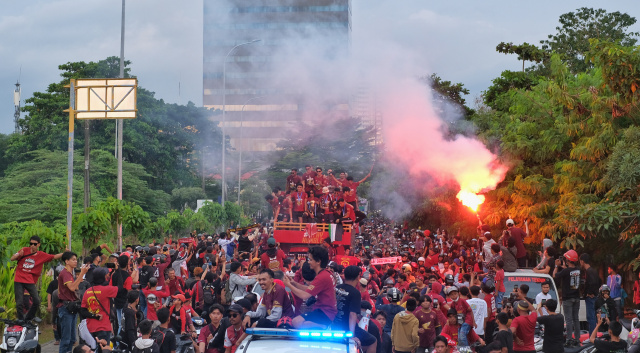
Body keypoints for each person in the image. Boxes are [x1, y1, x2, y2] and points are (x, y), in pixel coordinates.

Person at [283, 246, 337, 329]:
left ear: (318, 261)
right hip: (325, 311)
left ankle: (324, 327)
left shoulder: (322, 277)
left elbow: (305, 295)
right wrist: (293, 283)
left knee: (296, 322)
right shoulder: (326, 273)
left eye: (310, 260)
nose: (308, 262)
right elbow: (309, 290)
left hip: (325, 313)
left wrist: (289, 285)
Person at [11, 235, 63, 321]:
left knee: (36, 301)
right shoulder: (24, 250)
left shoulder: (41, 255)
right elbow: (12, 258)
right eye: (31, 243)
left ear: (39, 244)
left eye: (34, 244)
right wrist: (18, 255)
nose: (32, 246)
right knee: (19, 302)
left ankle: (29, 317)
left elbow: (53, 256)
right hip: (19, 279)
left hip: (29, 280)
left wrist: (64, 253)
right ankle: (20, 319)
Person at [58, 251, 90, 353]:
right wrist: (82, 274)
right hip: (66, 307)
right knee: (66, 339)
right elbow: (72, 288)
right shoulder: (65, 273)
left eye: (76, 259)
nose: (75, 261)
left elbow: (75, 287)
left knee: (72, 339)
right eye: (73, 259)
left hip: (71, 307)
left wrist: (79, 276)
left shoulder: (70, 273)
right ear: (66, 261)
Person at [81, 267, 121, 344]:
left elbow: (83, 311)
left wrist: (94, 315)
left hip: (90, 327)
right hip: (103, 327)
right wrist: (118, 271)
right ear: (103, 277)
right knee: (104, 349)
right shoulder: (106, 290)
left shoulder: (87, 291)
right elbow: (120, 288)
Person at [553, 249, 581, 347]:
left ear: (568, 260)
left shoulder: (566, 271)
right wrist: (564, 267)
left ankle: (569, 340)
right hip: (576, 297)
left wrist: (556, 266)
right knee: (576, 319)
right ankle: (577, 339)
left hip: (567, 298)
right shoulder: (578, 270)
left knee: (568, 320)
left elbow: (555, 275)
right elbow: (569, 272)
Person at [580, 253, 601, 334]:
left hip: (590, 297)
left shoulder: (589, 271)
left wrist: (589, 293)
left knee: (590, 317)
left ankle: (592, 335)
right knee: (593, 317)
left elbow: (592, 283)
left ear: (582, 261)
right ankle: (593, 334)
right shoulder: (594, 270)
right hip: (594, 296)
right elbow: (599, 281)